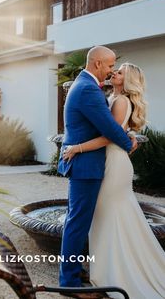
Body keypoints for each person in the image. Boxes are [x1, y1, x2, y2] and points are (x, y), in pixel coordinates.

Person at [63, 63, 165, 299]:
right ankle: (111, 268)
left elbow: (108, 136)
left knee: (109, 216)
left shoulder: (120, 101)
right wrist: (128, 135)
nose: (113, 73)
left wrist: (76, 148)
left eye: (118, 72)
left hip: (113, 165)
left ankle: (115, 271)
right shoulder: (112, 97)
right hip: (108, 162)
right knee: (110, 217)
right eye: (113, 69)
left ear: (126, 80)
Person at [58, 46, 136, 299]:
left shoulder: (83, 85)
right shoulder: (89, 89)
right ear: (99, 64)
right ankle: (70, 284)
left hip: (86, 164)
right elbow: (110, 129)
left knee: (77, 221)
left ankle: (75, 272)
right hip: (86, 166)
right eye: (111, 65)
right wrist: (129, 143)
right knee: (77, 223)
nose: (113, 70)